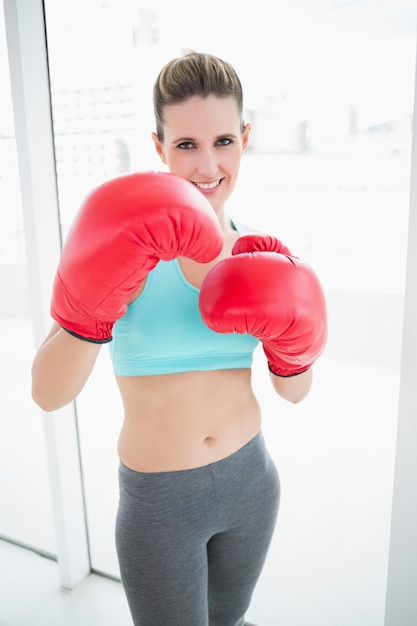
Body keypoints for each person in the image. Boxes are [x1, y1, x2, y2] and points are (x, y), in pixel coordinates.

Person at [31, 51, 327, 626]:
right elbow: (47, 394)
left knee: (231, 621)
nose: (207, 164)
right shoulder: (128, 244)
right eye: (186, 145)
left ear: (245, 138)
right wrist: (87, 314)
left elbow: (294, 394)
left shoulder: (258, 254)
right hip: (160, 503)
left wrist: (297, 351)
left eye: (223, 140)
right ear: (159, 146)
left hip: (252, 485)